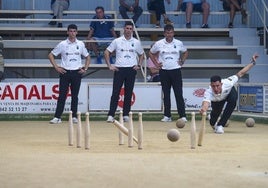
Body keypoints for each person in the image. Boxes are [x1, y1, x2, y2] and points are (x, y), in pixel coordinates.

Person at [199, 54, 258, 134]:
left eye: (217, 86)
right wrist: (204, 109)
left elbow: (241, 73)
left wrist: (252, 63)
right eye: (213, 86)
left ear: (221, 84)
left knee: (233, 100)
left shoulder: (228, 83)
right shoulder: (208, 92)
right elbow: (205, 103)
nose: (216, 89)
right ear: (210, 85)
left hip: (229, 93)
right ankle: (212, 119)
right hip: (217, 101)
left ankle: (220, 125)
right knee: (213, 121)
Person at [48, 24, 91, 124]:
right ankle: (57, 117)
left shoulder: (80, 44)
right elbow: (50, 55)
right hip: (65, 72)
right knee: (62, 95)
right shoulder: (62, 44)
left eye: (74, 31)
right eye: (70, 31)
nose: (72, 33)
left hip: (77, 73)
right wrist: (56, 67)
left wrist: (85, 68)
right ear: (67, 32)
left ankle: (74, 116)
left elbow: (87, 57)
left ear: (77, 32)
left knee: (74, 96)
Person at [104, 22, 144, 123]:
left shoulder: (136, 42)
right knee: (115, 93)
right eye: (127, 28)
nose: (129, 30)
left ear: (133, 30)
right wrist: (109, 65)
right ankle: (111, 115)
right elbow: (106, 52)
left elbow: (142, 54)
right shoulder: (117, 41)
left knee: (128, 93)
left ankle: (126, 114)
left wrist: (138, 65)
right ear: (124, 29)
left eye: (131, 28)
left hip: (131, 69)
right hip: (119, 69)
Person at [149, 24, 189, 122]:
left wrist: (182, 61)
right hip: (164, 71)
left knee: (178, 93)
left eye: (171, 33)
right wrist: (156, 64)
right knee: (166, 94)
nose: (169, 35)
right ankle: (167, 115)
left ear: (173, 33)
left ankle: (182, 115)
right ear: (164, 33)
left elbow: (185, 52)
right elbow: (150, 53)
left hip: (176, 70)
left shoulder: (178, 43)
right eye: (167, 33)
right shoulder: (159, 43)